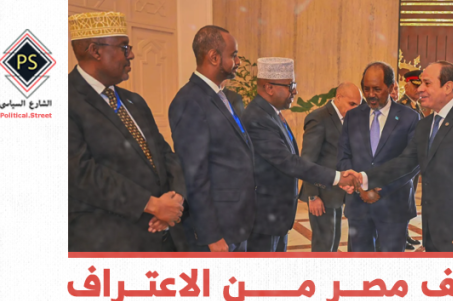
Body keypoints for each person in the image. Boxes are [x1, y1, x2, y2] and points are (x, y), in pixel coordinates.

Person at [68, 11, 187, 252]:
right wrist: (151, 205)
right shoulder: (63, 100)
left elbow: (164, 154)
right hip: (110, 243)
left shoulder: (134, 101)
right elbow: (79, 172)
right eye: (124, 47)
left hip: (164, 236)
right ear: (95, 51)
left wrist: (175, 199)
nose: (131, 54)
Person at [355, 61, 453, 252]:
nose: (420, 89)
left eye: (427, 83)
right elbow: (405, 162)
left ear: (447, 87)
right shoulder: (425, 124)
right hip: (434, 228)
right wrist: (365, 177)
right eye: (420, 83)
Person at [242, 57, 360, 252]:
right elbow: (290, 162)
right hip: (265, 216)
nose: (295, 92)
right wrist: (337, 178)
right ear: (269, 88)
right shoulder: (258, 118)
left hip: (277, 216)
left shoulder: (271, 114)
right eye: (290, 86)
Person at [169, 25, 255, 252]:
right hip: (217, 233)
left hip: (234, 223)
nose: (238, 62)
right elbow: (194, 174)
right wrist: (211, 235)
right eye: (234, 55)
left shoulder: (221, 96)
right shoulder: (190, 101)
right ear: (214, 57)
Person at [337, 62, 420, 252]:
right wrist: (361, 187)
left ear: (391, 87)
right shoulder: (353, 117)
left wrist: (380, 190)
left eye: (377, 89)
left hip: (394, 205)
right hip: (359, 205)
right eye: (366, 89)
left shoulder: (409, 118)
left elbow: (412, 162)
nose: (371, 94)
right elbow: (343, 156)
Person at [299, 82, 362, 252]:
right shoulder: (319, 118)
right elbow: (307, 161)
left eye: (358, 105)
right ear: (338, 98)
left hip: (338, 193)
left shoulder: (349, 119)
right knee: (324, 245)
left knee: (333, 241)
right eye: (352, 104)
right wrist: (313, 196)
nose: (355, 109)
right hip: (321, 193)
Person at [398, 69, 425, 249]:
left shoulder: (416, 106)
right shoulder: (402, 107)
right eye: (415, 86)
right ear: (406, 85)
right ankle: (401, 235)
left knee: (409, 200)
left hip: (414, 162)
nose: (418, 89)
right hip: (405, 162)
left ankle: (405, 233)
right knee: (402, 201)